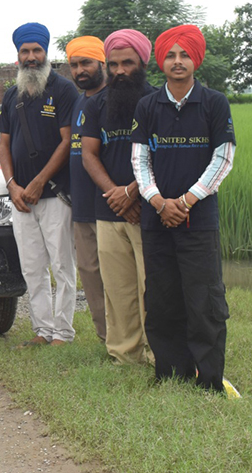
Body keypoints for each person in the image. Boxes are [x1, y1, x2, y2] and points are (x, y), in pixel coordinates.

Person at [131, 25, 236, 392]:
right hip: (157, 220)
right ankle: (170, 375)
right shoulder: (147, 106)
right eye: (171, 55)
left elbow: (222, 159)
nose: (178, 61)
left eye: (184, 55)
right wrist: (159, 202)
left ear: (196, 60)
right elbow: (140, 160)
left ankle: (208, 380)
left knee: (204, 300)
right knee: (161, 299)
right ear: (161, 61)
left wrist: (187, 200)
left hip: (198, 221)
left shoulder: (214, 103)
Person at [0, 23, 78, 347]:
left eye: (36, 51)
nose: (31, 57)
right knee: (32, 267)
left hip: (56, 194)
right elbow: (3, 144)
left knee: (62, 266)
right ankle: (43, 330)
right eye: (25, 52)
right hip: (21, 199)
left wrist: (39, 181)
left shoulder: (64, 90)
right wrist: (12, 186)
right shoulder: (11, 95)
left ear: (46, 52)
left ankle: (63, 333)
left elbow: (68, 141)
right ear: (18, 55)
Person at [81, 30, 157, 365]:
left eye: (128, 63)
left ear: (143, 63)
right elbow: (89, 154)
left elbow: (163, 156)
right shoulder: (96, 104)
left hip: (149, 209)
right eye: (113, 64)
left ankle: (158, 354)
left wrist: (132, 192)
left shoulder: (157, 102)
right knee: (118, 289)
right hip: (109, 209)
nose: (120, 71)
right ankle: (125, 356)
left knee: (152, 286)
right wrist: (116, 194)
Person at [66, 35, 107, 342]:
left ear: (102, 63)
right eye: (74, 64)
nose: (80, 70)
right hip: (81, 206)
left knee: (118, 276)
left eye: (86, 63)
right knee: (90, 273)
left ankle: (128, 337)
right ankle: (106, 337)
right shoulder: (78, 101)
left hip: (111, 206)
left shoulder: (115, 99)